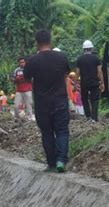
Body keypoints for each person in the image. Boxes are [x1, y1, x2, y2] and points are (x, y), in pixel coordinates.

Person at [24, 29, 71, 173]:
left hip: (42, 104)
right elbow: (67, 73)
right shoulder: (62, 57)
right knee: (62, 131)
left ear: (37, 43)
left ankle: (51, 163)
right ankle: (61, 161)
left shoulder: (32, 60)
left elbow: (26, 77)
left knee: (47, 133)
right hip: (60, 101)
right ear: (50, 41)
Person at [76, 40, 104, 122]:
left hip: (84, 83)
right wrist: (102, 82)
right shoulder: (96, 58)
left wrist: (75, 83)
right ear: (91, 48)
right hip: (94, 83)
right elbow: (99, 71)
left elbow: (77, 72)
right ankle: (94, 118)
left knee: (84, 99)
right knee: (95, 99)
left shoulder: (80, 59)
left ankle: (88, 116)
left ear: (83, 49)